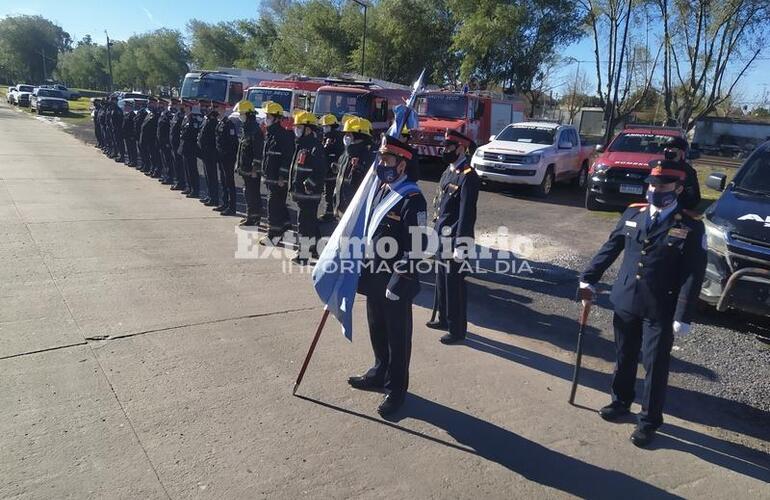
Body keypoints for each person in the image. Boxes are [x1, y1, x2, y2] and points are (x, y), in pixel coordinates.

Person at [579, 160, 707, 447]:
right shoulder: (633, 213)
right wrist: (589, 277)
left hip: (660, 307)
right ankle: (620, 401)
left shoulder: (689, 226)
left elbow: (692, 273)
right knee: (624, 356)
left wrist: (683, 314)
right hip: (626, 299)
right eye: (652, 184)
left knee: (655, 365)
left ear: (678, 187)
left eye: (662, 185)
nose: (655, 189)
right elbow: (611, 247)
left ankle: (649, 421)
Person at [348, 135, 427, 417]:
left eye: (388, 159)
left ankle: (396, 389)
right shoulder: (381, 189)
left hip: (395, 280)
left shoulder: (412, 198)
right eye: (381, 158)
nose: (382, 164)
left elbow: (417, 246)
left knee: (398, 335)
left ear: (402, 165)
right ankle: (379, 371)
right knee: (376, 327)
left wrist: (400, 279)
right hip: (373, 274)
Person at [426, 130, 480, 344]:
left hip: (456, 240)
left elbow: (467, 213)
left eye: (449, 147)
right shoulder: (448, 172)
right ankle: (444, 318)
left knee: (454, 285)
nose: (444, 150)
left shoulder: (468, 175)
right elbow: (440, 205)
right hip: (442, 236)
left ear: (460, 148)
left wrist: (461, 244)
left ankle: (457, 330)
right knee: (441, 280)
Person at [288, 111, 327, 263]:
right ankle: (318, 249)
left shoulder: (314, 147)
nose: (296, 129)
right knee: (310, 222)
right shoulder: (301, 145)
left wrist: (307, 185)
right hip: (302, 194)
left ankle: (303, 255)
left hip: (309, 195)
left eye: (299, 127)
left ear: (308, 129)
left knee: (305, 224)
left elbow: (320, 171)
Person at [261, 101, 295, 241]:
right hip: (271, 177)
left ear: (276, 118)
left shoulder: (283, 135)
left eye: (268, 116)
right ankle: (285, 226)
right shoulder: (271, 134)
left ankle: (273, 235)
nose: (266, 119)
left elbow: (287, 158)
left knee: (273, 206)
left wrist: (282, 176)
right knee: (279, 204)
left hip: (277, 179)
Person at [334, 117, 374, 216]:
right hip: (341, 207)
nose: (345, 137)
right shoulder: (346, 153)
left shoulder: (367, 156)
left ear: (358, 135)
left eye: (348, 134)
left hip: (354, 213)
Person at [214, 101, 240, 216]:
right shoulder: (220, 123)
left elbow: (233, 143)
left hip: (227, 158)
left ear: (223, 109)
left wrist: (229, 157)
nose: (216, 110)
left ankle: (232, 206)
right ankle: (225, 203)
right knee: (224, 182)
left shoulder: (229, 124)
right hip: (221, 157)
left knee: (229, 182)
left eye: (217, 108)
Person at [663, 137, 701, 210]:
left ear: (681, 152)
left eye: (670, 147)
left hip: (678, 209)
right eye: (665, 147)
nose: (666, 150)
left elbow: (693, 197)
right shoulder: (660, 167)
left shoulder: (687, 171)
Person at [319, 114, 344, 222]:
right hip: (330, 170)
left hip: (331, 171)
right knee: (330, 193)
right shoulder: (330, 137)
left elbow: (328, 153)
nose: (324, 128)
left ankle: (329, 215)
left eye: (326, 126)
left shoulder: (333, 139)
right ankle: (331, 214)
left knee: (329, 193)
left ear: (331, 126)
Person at [197, 100, 220, 207]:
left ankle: (214, 198)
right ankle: (210, 195)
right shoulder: (207, 120)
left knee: (212, 176)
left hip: (211, 153)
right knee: (207, 175)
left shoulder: (214, 121)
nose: (207, 109)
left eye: (209, 107)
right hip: (205, 152)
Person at [178, 100, 203, 198]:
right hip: (184, 148)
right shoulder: (185, 119)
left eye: (185, 107)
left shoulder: (193, 119)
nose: (184, 109)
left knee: (192, 170)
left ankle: (195, 190)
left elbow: (193, 134)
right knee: (187, 169)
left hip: (191, 148)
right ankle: (189, 187)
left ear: (189, 108)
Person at [169, 100, 187, 191]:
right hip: (173, 143)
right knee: (176, 163)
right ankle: (178, 181)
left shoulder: (182, 116)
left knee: (179, 164)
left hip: (178, 143)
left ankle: (181, 183)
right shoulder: (176, 114)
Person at [156, 99, 175, 185]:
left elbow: (169, 129)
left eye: (162, 104)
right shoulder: (163, 113)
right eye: (159, 103)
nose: (160, 105)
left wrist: (168, 141)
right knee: (163, 159)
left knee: (168, 160)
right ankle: (165, 175)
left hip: (166, 141)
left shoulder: (169, 115)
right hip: (161, 140)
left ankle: (169, 177)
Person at [139, 99, 159, 175]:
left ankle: (156, 170)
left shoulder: (157, 114)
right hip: (148, 139)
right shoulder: (150, 113)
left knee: (155, 156)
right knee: (151, 155)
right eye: (149, 103)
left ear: (155, 104)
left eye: (151, 103)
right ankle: (152, 169)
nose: (149, 104)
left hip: (153, 139)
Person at [122, 100, 138, 167]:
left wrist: (132, 135)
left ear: (130, 107)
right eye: (125, 106)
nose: (125, 107)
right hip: (127, 134)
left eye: (126, 106)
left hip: (130, 135)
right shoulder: (127, 114)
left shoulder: (132, 115)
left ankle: (134, 161)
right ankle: (130, 160)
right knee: (129, 148)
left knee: (132, 149)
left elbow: (133, 126)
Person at [134, 102, 149, 170]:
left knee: (144, 152)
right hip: (138, 134)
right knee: (141, 152)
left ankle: (146, 165)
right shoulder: (139, 112)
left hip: (143, 135)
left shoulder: (144, 113)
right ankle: (143, 164)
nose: (136, 105)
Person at [110, 99, 125, 164]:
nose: (112, 102)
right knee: (116, 142)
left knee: (120, 143)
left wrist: (118, 128)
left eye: (113, 101)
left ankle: (122, 156)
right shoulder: (113, 109)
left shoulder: (118, 110)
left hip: (118, 129)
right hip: (114, 129)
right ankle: (117, 153)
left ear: (116, 101)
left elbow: (119, 121)